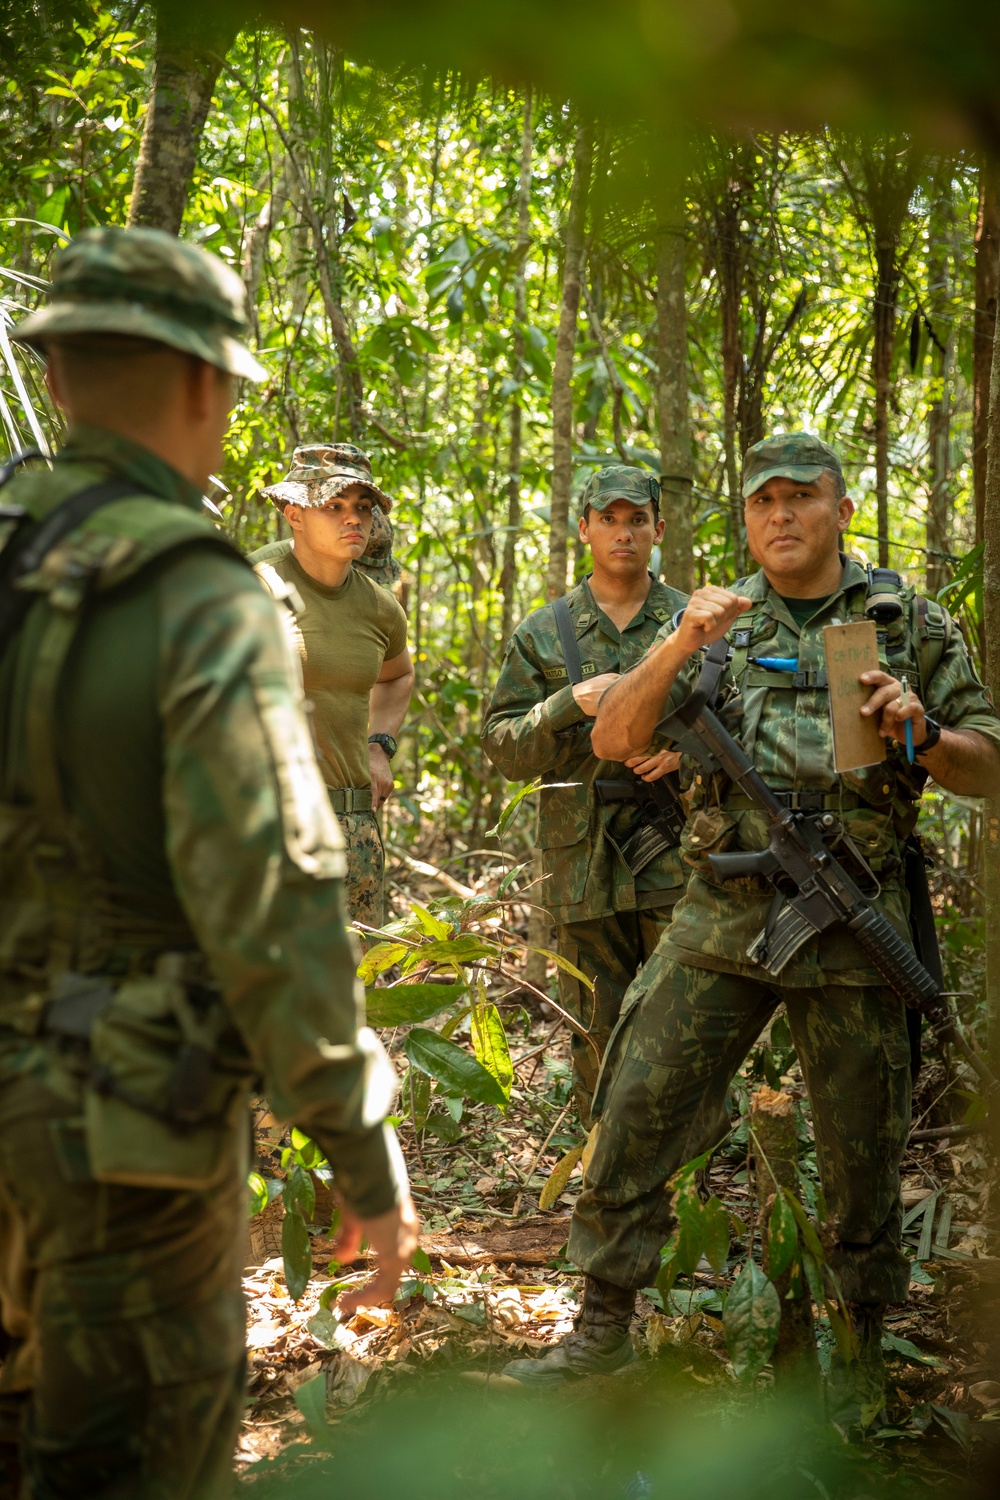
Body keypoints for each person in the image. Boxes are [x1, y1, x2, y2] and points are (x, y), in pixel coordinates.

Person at [0, 225, 418, 1499]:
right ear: (207, 388)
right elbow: (272, 904)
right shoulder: (205, 593)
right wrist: (359, 1143)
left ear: (57, 380)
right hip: (124, 1116)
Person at [504, 432, 1000, 1409]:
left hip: (854, 921)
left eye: (801, 497)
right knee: (635, 1099)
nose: (781, 515)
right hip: (724, 916)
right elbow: (613, 735)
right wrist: (680, 640)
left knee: (861, 1153)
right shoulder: (714, 623)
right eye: (762, 499)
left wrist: (923, 731)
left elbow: (985, 763)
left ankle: (856, 1352)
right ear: (743, 518)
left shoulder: (905, 622)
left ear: (843, 509)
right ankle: (601, 1325)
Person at [483, 467, 689, 1123]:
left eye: (636, 519)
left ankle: (690, 1192)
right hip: (582, 864)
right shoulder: (544, 633)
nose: (622, 532)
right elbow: (503, 747)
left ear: (659, 528)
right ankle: (602, 1183)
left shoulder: (691, 622)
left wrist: (686, 755)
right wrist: (565, 703)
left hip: (676, 855)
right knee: (596, 1035)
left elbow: (746, 727)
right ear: (584, 529)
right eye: (608, 518)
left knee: (683, 1032)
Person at [251, 445, 414, 932]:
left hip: (354, 829)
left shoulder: (380, 607)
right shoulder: (253, 588)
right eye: (335, 506)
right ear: (294, 513)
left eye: (363, 508)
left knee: (359, 997)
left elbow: (399, 675)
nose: (354, 520)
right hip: (269, 828)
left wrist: (379, 744)